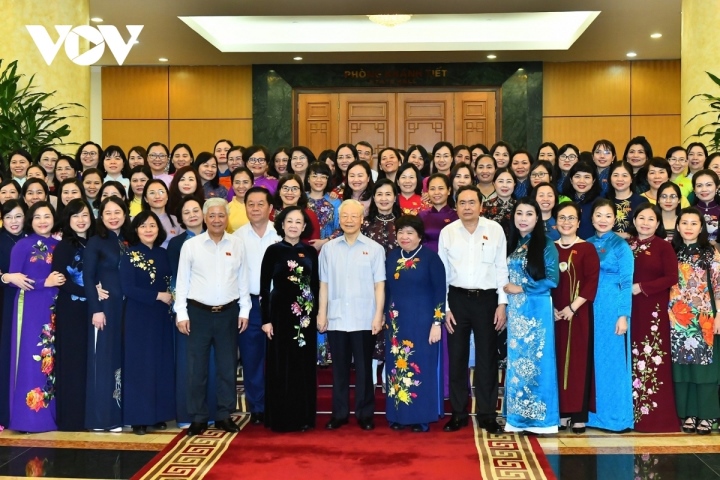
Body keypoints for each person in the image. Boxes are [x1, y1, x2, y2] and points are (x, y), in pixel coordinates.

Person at [175, 198, 251, 436]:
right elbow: (182, 281)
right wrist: (181, 313)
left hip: (229, 313)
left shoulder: (237, 244)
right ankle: (198, 416)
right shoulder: (191, 246)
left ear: (227, 218)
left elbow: (243, 280)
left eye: (221, 215)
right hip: (198, 314)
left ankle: (223, 415)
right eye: (212, 215)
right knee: (197, 368)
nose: (217, 220)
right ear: (205, 218)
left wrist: (245, 310)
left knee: (227, 367)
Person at [438, 185, 509, 433]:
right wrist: (445, 308)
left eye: (472, 202)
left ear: (481, 205)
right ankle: (458, 414)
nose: (467, 207)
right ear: (455, 206)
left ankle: (487, 414)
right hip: (456, 300)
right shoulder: (447, 232)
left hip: (487, 300)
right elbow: (443, 273)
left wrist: (502, 304)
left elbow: (502, 269)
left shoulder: (495, 230)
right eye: (462, 203)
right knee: (456, 358)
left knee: (487, 359)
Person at [318, 199, 385, 431]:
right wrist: (321, 313)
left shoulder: (375, 249)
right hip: (337, 317)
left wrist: (378, 315)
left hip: (365, 317)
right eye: (344, 216)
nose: (348, 220)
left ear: (361, 219)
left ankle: (365, 414)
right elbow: (323, 284)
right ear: (339, 218)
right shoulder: (328, 249)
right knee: (339, 368)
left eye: (353, 216)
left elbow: (379, 285)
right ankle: (339, 414)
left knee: (365, 369)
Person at [383, 215, 446, 432]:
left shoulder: (431, 258)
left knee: (421, 368)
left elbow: (440, 292)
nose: (404, 236)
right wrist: (384, 316)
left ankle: (421, 417)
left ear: (420, 236)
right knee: (396, 367)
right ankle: (398, 415)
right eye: (401, 232)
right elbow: (387, 290)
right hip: (396, 323)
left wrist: (437, 322)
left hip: (423, 323)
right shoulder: (392, 257)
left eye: (410, 233)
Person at [502, 198, 560, 434]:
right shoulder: (513, 243)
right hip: (516, 312)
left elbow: (552, 280)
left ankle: (542, 421)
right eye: (519, 213)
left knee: (539, 362)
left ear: (537, 219)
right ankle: (517, 418)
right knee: (517, 364)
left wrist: (522, 288)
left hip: (537, 311)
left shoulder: (546, 244)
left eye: (529, 214)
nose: (523, 218)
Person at [260, 206, 319, 432]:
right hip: (280, 314)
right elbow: (264, 288)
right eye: (290, 221)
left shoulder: (310, 252)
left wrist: (315, 313)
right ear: (282, 224)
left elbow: (316, 285)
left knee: (302, 366)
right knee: (280, 365)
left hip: (305, 316)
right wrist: (266, 319)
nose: (294, 225)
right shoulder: (273, 251)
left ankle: (303, 418)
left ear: (304, 227)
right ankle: (281, 419)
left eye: (298, 222)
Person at [8, 201, 64, 432]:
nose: (43, 220)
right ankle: (29, 419)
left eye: (47, 216)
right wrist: (45, 282)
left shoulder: (60, 245)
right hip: (30, 308)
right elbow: (16, 281)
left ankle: (53, 415)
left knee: (53, 361)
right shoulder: (23, 245)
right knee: (33, 359)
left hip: (56, 308)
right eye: (38, 217)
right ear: (30, 221)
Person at [120, 211, 175, 435]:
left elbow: (171, 280)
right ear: (136, 230)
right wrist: (157, 296)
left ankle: (158, 414)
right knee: (139, 367)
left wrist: (170, 295)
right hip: (138, 316)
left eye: (152, 225)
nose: (148, 229)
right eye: (143, 226)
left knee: (161, 363)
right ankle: (138, 418)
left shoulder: (164, 254)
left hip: (162, 317)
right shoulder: (130, 255)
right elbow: (128, 288)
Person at [626, 202, 679, 432]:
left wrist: (642, 287)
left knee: (651, 357)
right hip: (628, 309)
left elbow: (671, 278)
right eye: (641, 218)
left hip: (652, 309)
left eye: (650, 219)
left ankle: (653, 418)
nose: (645, 223)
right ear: (634, 220)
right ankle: (629, 415)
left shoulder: (663, 246)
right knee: (629, 356)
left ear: (658, 223)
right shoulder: (626, 245)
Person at [167, 196, 219, 428]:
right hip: (188, 311)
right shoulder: (177, 244)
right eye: (186, 212)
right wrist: (182, 312)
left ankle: (212, 412)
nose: (192, 215)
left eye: (195, 210)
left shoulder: (219, 239)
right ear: (181, 218)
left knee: (212, 362)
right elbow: (175, 281)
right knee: (189, 363)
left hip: (216, 311)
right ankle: (189, 415)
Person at [668, 208, 720, 435]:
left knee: (705, 369)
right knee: (681, 369)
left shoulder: (711, 253)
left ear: (701, 227)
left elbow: (718, 288)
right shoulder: (670, 251)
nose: (689, 227)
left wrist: (719, 316)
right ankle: (687, 413)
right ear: (678, 226)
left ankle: (707, 415)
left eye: (694, 223)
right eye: (684, 223)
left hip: (704, 318)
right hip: (675, 319)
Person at [83, 197, 132, 432]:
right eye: (107, 213)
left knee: (125, 359)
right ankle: (103, 418)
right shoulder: (96, 241)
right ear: (100, 216)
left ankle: (123, 414)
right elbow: (88, 277)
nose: (113, 217)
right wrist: (95, 309)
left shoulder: (128, 240)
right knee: (104, 361)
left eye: (117, 212)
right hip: (106, 309)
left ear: (125, 213)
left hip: (129, 310)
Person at [551, 202, 600, 434]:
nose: (566, 222)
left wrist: (572, 307)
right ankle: (560, 412)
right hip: (553, 315)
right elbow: (544, 281)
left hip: (579, 314)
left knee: (579, 362)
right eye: (562, 218)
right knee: (557, 360)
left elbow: (591, 283)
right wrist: (551, 307)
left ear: (579, 223)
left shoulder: (587, 249)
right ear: (555, 222)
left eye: (571, 218)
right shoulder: (550, 249)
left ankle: (579, 414)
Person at [234, 187, 281, 426]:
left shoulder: (281, 234)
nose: (255, 208)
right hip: (249, 304)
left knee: (278, 356)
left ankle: (278, 403)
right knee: (252, 358)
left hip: (278, 304)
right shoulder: (237, 238)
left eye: (260, 204)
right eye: (250, 204)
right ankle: (258, 406)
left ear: (270, 208)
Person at [586, 199, 634, 432]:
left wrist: (623, 314)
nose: (603, 220)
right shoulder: (586, 244)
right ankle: (592, 416)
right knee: (591, 362)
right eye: (598, 215)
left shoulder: (620, 246)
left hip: (612, 309)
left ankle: (615, 417)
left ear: (614, 220)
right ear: (591, 218)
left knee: (612, 362)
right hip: (589, 308)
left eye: (608, 216)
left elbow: (627, 283)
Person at [52, 199, 95, 431]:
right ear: (68, 220)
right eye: (75, 216)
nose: (81, 220)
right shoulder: (65, 245)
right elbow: (61, 281)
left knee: (90, 363)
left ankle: (90, 415)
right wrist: (91, 293)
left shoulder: (96, 242)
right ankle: (72, 419)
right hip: (72, 312)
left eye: (85, 215)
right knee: (74, 364)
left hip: (93, 310)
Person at [0, 200, 27, 428]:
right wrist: (6, 277)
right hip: (5, 303)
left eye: (18, 216)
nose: (14, 222)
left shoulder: (31, 238)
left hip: (32, 305)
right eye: (8, 217)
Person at [561, 162, 603, 240]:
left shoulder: (600, 204)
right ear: (571, 179)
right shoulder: (563, 201)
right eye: (577, 176)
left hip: (592, 248)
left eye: (587, 177)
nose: (581, 181)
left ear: (593, 180)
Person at [142, 179, 184, 248]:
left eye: (161, 192)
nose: (157, 196)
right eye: (152, 193)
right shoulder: (135, 220)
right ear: (146, 198)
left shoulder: (177, 220)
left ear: (167, 196)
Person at [607, 161, 643, 239]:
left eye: (625, 175)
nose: (620, 179)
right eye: (616, 175)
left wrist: (625, 235)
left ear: (631, 179)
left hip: (635, 247)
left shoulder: (641, 202)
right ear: (610, 178)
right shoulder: (604, 201)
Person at [483, 168, 516, 240]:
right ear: (494, 184)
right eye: (501, 181)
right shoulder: (485, 206)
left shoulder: (520, 206)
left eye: (509, 181)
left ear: (514, 184)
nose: (505, 185)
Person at [691, 169, 720, 244]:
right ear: (694, 189)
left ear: (717, 187)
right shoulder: (688, 213)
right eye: (699, 185)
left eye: (709, 185)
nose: (704, 189)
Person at [226, 167, 253, 233]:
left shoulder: (260, 207)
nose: (241, 186)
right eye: (237, 182)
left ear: (252, 185)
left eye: (245, 182)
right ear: (232, 185)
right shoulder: (226, 209)